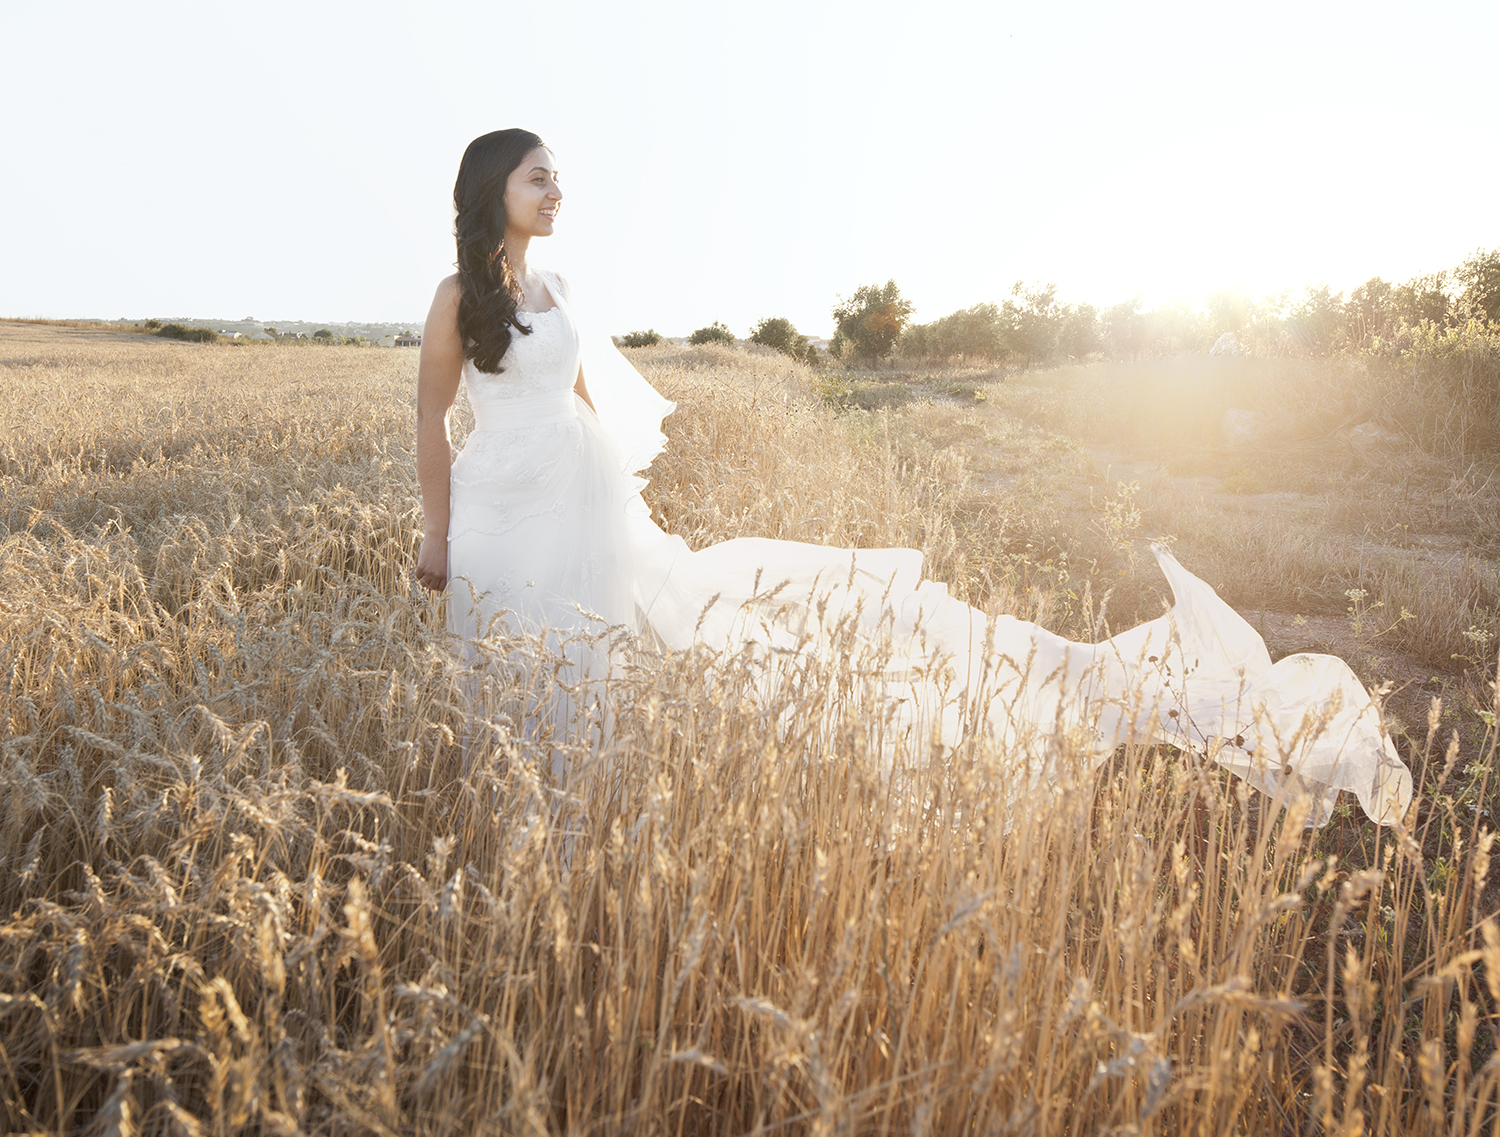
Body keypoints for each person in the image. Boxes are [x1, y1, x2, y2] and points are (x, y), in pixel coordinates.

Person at [416, 129, 1412, 826]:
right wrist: (435, 532)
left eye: (558, 178)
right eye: (539, 178)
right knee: (507, 659)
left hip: (580, 504)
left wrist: (615, 509)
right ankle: (517, 812)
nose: (557, 193)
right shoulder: (457, 296)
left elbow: (590, 406)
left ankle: (584, 814)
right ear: (494, 188)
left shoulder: (560, 291)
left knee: (611, 657)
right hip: (498, 506)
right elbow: (431, 414)